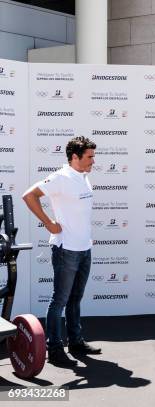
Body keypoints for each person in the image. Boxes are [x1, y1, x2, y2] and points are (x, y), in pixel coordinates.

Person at [22, 136, 101, 367]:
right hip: (66, 249)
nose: (93, 161)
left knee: (75, 299)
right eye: (89, 157)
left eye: (93, 156)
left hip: (84, 248)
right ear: (74, 157)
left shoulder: (84, 177)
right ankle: (54, 348)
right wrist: (48, 223)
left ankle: (75, 342)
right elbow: (29, 196)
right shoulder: (61, 177)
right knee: (59, 301)